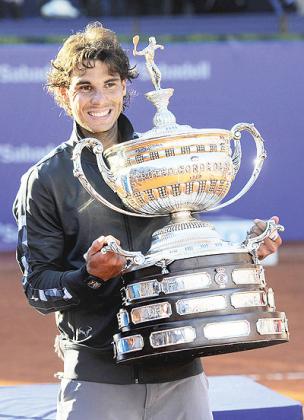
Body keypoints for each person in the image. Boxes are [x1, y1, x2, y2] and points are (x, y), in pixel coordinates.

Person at [13, 22, 282, 420]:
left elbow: (187, 250)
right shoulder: (47, 180)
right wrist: (90, 276)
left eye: (110, 83)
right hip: (98, 379)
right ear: (63, 93)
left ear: (124, 88)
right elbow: (38, 289)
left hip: (180, 369)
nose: (99, 98)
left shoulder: (161, 160)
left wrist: (245, 253)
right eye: (85, 86)